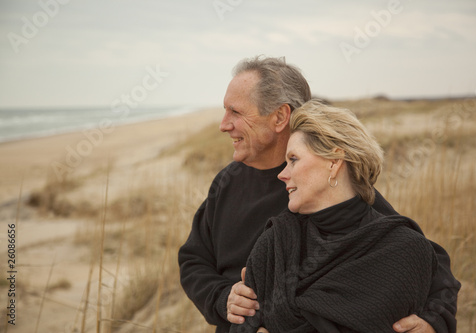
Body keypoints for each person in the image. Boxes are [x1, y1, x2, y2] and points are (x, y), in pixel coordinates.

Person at [178, 56, 460, 333]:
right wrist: (222, 298)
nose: (224, 124)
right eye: (225, 111)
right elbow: (193, 258)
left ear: (279, 117)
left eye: (236, 112)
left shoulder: (326, 188)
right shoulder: (227, 182)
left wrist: (434, 321)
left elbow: (422, 257)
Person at [229, 100, 439, 333]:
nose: (282, 174)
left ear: (334, 162)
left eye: (294, 159)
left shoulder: (405, 249)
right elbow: (242, 325)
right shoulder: (274, 244)